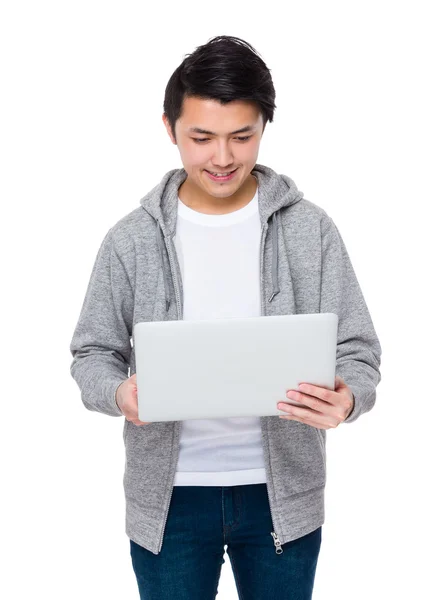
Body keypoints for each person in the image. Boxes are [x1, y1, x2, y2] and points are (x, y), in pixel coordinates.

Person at [69, 35, 382, 600]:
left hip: (282, 499)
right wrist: (121, 394)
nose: (223, 157)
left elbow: (358, 350)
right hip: (169, 502)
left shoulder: (310, 230)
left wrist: (349, 396)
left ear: (264, 125)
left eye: (242, 136)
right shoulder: (130, 239)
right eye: (202, 138)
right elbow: (92, 354)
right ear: (169, 128)